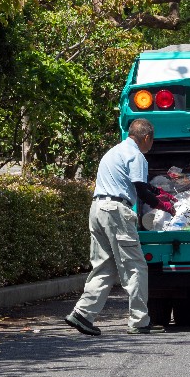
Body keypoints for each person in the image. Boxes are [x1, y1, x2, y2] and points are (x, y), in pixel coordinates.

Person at [65, 118, 177, 336]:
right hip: (116, 212)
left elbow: (137, 185)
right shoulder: (137, 155)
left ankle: (82, 314)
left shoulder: (115, 151)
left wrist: (159, 193)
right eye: (152, 141)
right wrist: (165, 206)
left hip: (97, 209)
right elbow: (141, 192)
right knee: (135, 266)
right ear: (147, 138)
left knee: (105, 265)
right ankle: (139, 321)